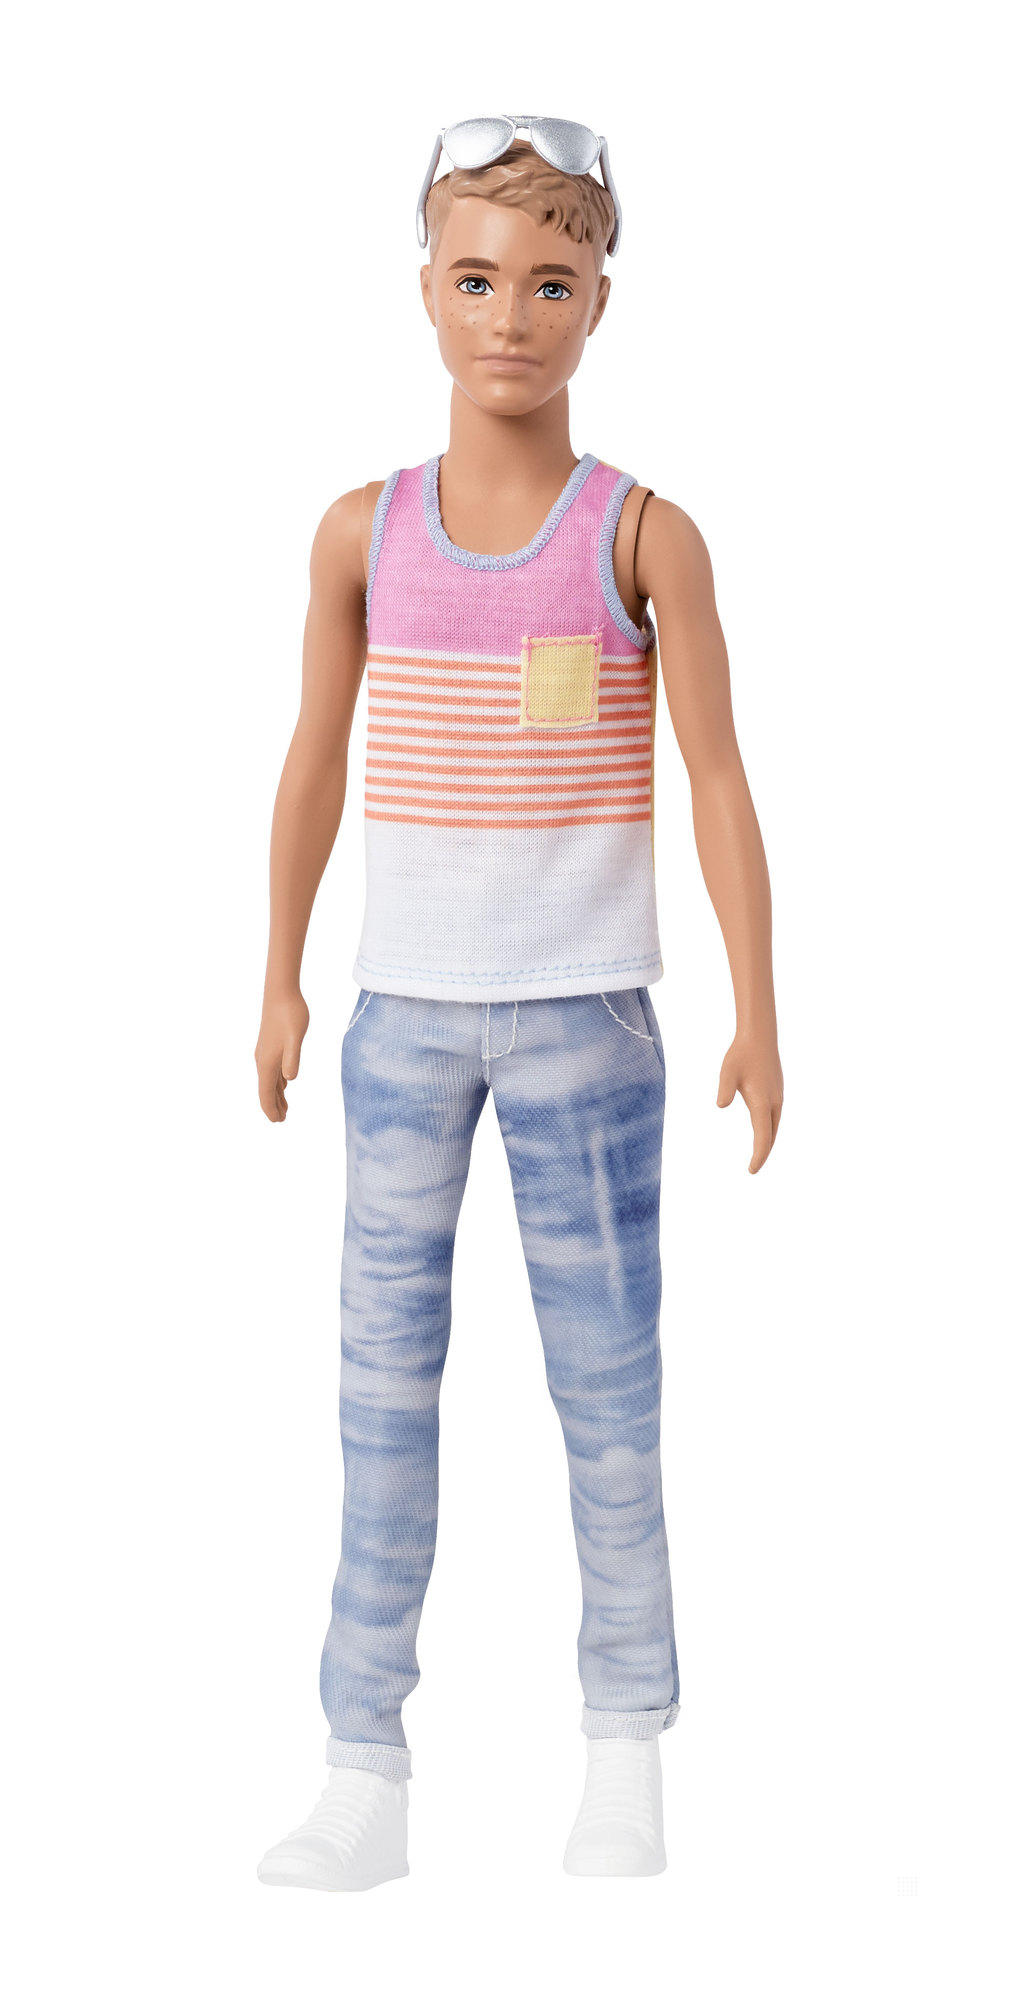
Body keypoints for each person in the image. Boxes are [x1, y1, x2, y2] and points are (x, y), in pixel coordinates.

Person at [255, 120, 782, 1890]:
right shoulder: (364, 531)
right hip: (400, 1016)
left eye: (550, 283)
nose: (508, 318)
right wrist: (278, 974)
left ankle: (624, 1744)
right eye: (475, 278)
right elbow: (312, 758)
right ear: (423, 288)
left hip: (584, 1020)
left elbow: (717, 775)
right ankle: (362, 1762)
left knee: (607, 1389)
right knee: (378, 1391)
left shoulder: (642, 535)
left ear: (599, 303)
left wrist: (756, 1008)